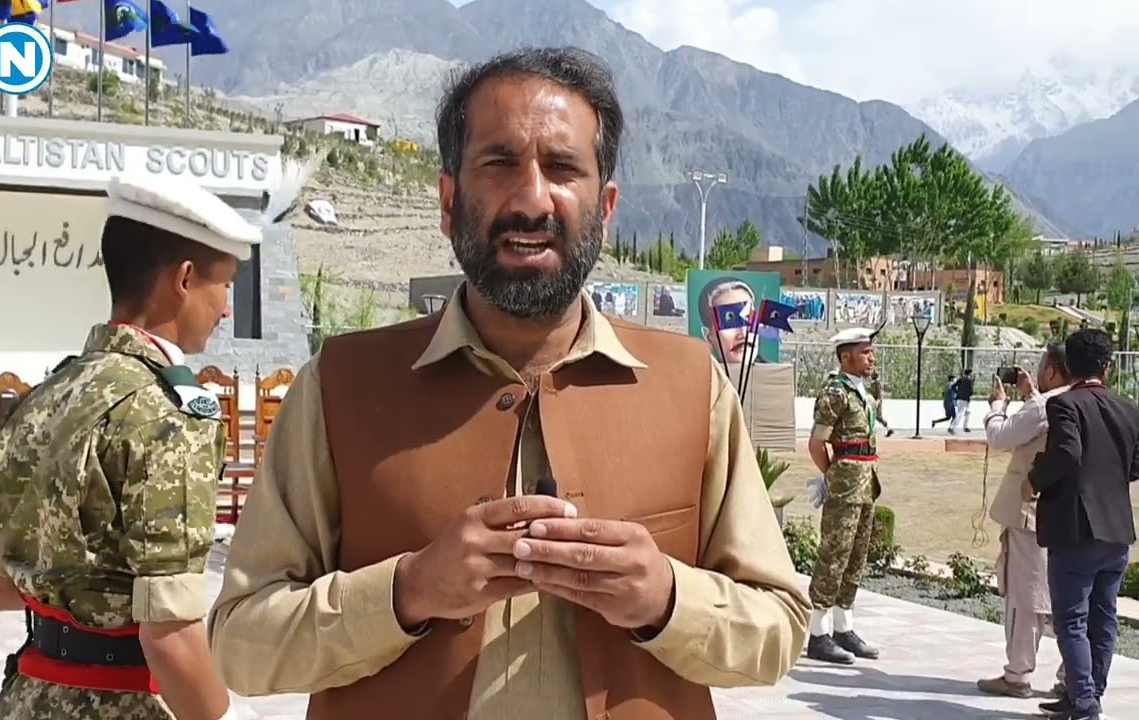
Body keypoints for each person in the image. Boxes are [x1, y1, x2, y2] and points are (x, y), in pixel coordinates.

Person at [208, 46, 809, 720]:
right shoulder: (339, 389)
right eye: (498, 165)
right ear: (448, 199)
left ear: (604, 206)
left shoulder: (692, 389)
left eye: (562, 168)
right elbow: (242, 643)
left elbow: (778, 631)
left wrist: (666, 597)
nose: (530, 199)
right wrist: (406, 593)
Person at [0, 174, 282, 720]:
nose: (227, 310)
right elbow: (169, 636)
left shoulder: (39, 399)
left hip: (27, 698)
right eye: (225, 286)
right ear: (184, 279)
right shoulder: (168, 418)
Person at [1028, 328, 1139, 720]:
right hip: (1117, 530)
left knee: (1071, 619)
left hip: (1077, 529)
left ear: (1068, 365)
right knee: (1103, 617)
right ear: (1107, 366)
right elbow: (1135, 465)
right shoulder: (1129, 409)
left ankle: (1085, 702)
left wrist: (1033, 478)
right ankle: (1087, 694)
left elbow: (1066, 455)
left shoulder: (1065, 406)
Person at [974, 344, 1070, 699]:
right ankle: (1071, 675)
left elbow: (1000, 437)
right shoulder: (1080, 399)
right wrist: (1030, 394)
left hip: (1032, 512)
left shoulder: (1045, 407)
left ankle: (1017, 674)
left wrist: (998, 405)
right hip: (1071, 514)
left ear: (1051, 371)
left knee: (1026, 595)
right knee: (1070, 596)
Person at [805, 326, 883, 665]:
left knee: (856, 557)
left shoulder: (863, 390)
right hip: (846, 482)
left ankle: (843, 627)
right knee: (834, 555)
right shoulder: (836, 392)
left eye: (870, 351)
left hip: (866, 482)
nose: (871, 357)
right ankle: (818, 634)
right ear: (845, 356)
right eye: (865, 352)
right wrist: (830, 476)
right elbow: (816, 442)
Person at [695, 277, 757, 365]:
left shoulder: (779, 376)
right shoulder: (698, 376)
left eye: (749, 318)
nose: (743, 334)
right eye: (729, 320)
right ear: (708, 337)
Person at [867, 371, 893, 437]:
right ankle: (870, 431)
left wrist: (877, 402)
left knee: (878, 417)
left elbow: (879, 395)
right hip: (871, 402)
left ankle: (889, 429)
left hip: (876, 402)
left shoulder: (877, 383)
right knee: (870, 416)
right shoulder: (871, 383)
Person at [949, 368, 975, 433]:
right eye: (972, 373)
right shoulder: (970, 381)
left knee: (968, 412)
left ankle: (965, 427)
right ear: (969, 373)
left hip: (960, 398)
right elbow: (971, 391)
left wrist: (957, 392)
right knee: (960, 413)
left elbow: (953, 386)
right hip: (965, 399)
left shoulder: (960, 379)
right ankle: (952, 427)